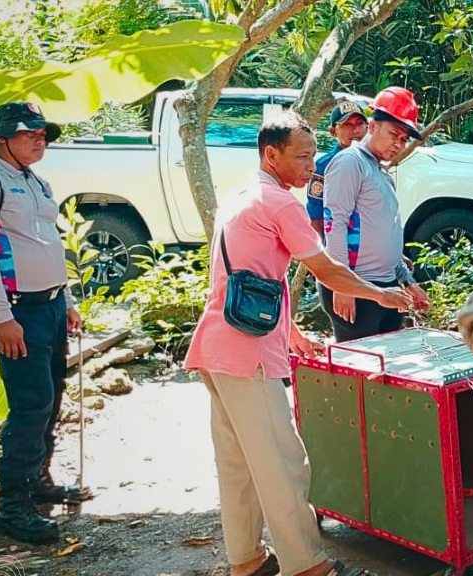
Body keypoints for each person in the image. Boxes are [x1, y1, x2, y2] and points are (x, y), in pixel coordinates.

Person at [183, 111, 411, 576]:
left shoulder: (241, 197)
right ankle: (307, 565)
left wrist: (291, 334)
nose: (311, 166)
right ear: (272, 154)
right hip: (247, 354)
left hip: (218, 344)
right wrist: (381, 293)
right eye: (302, 157)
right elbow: (325, 269)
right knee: (283, 462)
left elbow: (246, 278)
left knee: (238, 462)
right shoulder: (280, 204)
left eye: (312, 156)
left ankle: (247, 560)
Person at [0, 102, 84, 543]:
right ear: (1, 137)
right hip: (16, 310)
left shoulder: (34, 180)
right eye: (30, 133)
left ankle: (39, 480)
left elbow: (49, 243)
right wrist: (2, 317)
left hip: (49, 307)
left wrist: (66, 300)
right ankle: (12, 507)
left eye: (43, 133)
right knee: (30, 405)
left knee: (51, 397)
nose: (39, 139)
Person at [320, 86, 430, 342]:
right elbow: (334, 224)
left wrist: (408, 282)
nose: (398, 144)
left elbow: (386, 234)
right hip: (357, 286)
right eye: (394, 134)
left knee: (387, 361)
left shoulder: (381, 173)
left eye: (404, 139)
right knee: (358, 362)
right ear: (372, 127)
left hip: (386, 286)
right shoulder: (350, 162)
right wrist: (342, 285)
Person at [306, 101, 368, 236]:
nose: (355, 130)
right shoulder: (324, 166)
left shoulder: (373, 163)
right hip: (338, 239)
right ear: (333, 131)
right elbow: (316, 217)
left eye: (359, 124)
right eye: (347, 124)